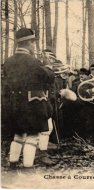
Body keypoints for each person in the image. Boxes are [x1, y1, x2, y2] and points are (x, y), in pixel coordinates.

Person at [3, 28, 55, 170]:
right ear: (28, 43)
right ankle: (28, 168)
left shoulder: (8, 62)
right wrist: (49, 66)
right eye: (33, 43)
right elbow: (48, 78)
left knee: (18, 135)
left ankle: (12, 165)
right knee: (32, 136)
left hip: (14, 104)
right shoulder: (33, 61)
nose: (34, 46)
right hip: (32, 105)